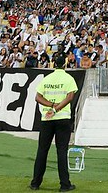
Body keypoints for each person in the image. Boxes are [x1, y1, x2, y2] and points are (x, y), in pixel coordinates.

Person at [30, 53, 77, 192]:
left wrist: (50, 105)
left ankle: (35, 183)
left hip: (47, 118)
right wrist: (56, 109)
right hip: (62, 118)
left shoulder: (47, 78)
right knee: (61, 151)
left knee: (42, 150)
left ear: (53, 63)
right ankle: (64, 184)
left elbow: (38, 97)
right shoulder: (69, 78)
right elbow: (69, 97)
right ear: (66, 63)